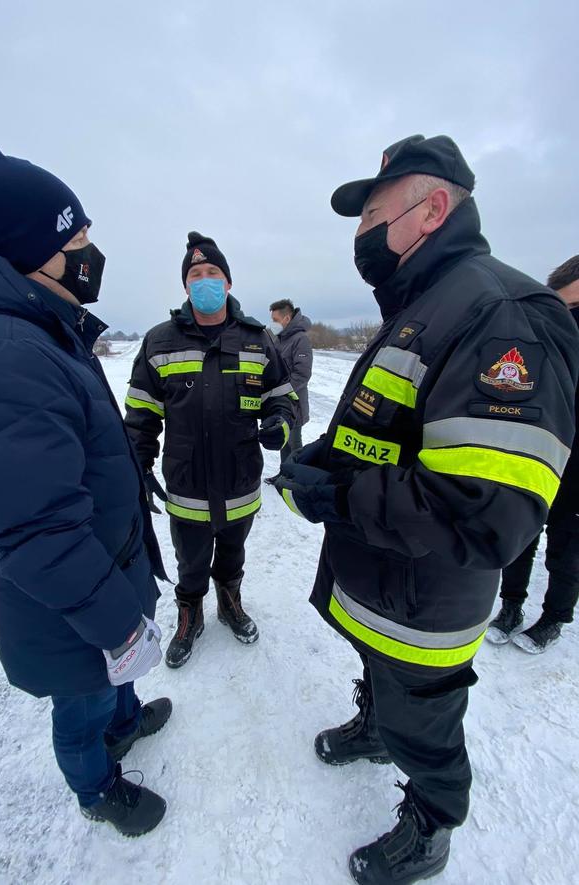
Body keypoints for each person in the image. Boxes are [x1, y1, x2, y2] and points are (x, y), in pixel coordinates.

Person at [273, 135, 579, 883]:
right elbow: (395, 432)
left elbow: (485, 510)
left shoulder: (499, 313)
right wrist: (328, 458)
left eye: (371, 214)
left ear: (432, 208)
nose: (359, 235)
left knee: (428, 723)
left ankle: (431, 822)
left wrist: (338, 494)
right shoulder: (426, 301)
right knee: (384, 682)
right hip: (379, 576)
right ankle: (378, 726)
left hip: (425, 601)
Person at [0, 148, 171, 837]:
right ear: (36, 250)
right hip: (71, 609)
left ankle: (125, 719)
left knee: (110, 685)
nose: (92, 253)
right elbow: (41, 533)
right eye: (77, 239)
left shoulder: (36, 329)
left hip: (102, 576)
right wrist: (120, 624)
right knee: (81, 701)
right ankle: (96, 785)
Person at [125, 231, 297, 668]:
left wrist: (279, 420)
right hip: (187, 482)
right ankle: (190, 612)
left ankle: (230, 602)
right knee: (191, 557)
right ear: (186, 286)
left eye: (213, 273)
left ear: (228, 283)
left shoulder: (258, 339)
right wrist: (139, 467)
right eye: (196, 274)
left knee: (234, 551)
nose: (205, 280)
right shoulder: (160, 341)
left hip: (240, 478)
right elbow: (141, 415)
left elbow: (281, 394)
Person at [487, 255, 579, 653]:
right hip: (536, 450)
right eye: (565, 306)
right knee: (521, 532)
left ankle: (555, 618)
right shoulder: (540, 322)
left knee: (567, 544)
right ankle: (510, 607)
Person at [265, 298, 313, 480]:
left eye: (275, 320)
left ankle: (297, 478)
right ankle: (284, 474)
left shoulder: (300, 339)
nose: (273, 324)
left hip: (295, 402)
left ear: (286, 319)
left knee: (294, 442)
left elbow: (302, 374)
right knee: (283, 440)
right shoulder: (281, 339)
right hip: (281, 402)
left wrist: (281, 390)